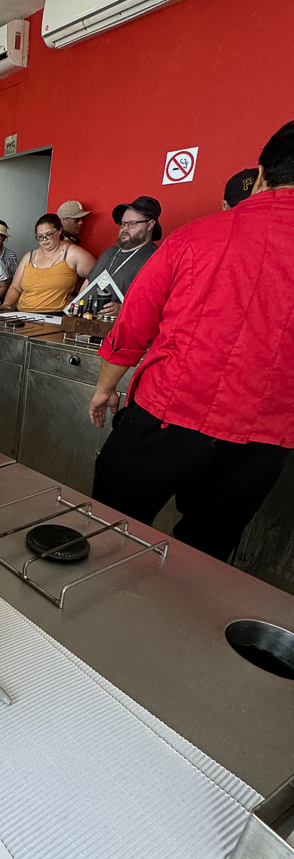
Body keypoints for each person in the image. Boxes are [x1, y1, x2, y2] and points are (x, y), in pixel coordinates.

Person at [88, 120, 294, 562]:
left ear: (260, 174)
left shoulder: (195, 237)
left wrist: (105, 389)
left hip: (167, 415)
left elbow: (131, 328)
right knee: (204, 556)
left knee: (110, 527)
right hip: (262, 440)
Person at [1, 214, 94, 312]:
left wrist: (78, 300)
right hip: (22, 313)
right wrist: (6, 304)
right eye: (40, 236)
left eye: (49, 234)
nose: (44, 239)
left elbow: (99, 274)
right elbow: (15, 287)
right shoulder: (29, 256)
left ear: (59, 231)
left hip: (55, 315)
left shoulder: (72, 253)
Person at [88, 196, 162, 317]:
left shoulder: (156, 258)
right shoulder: (109, 252)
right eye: (123, 223)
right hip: (88, 324)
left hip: (122, 329)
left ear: (150, 225)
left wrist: (122, 309)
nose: (125, 229)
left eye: (132, 224)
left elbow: (156, 301)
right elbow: (87, 285)